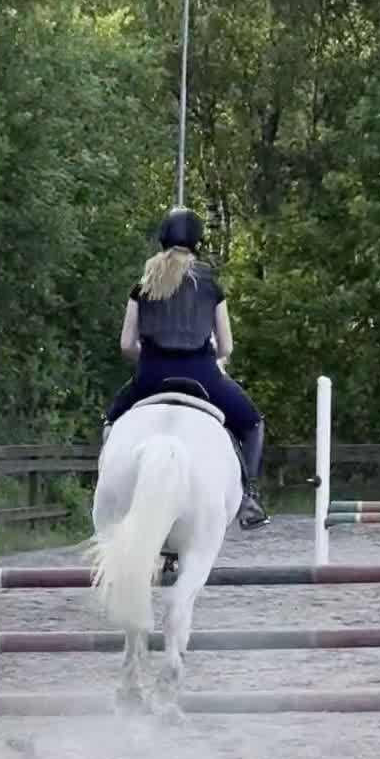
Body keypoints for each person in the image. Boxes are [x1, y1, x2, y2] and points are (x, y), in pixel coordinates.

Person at [103, 207, 269, 529]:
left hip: (150, 378)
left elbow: (126, 344)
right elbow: (226, 347)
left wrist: (150, 358)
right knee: (253, 424)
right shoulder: (210, 286)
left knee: (111, 422)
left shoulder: (143, 285)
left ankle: (106, 491)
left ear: (162, 239)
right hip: (204, 379)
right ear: (197, 243)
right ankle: (249, 498)